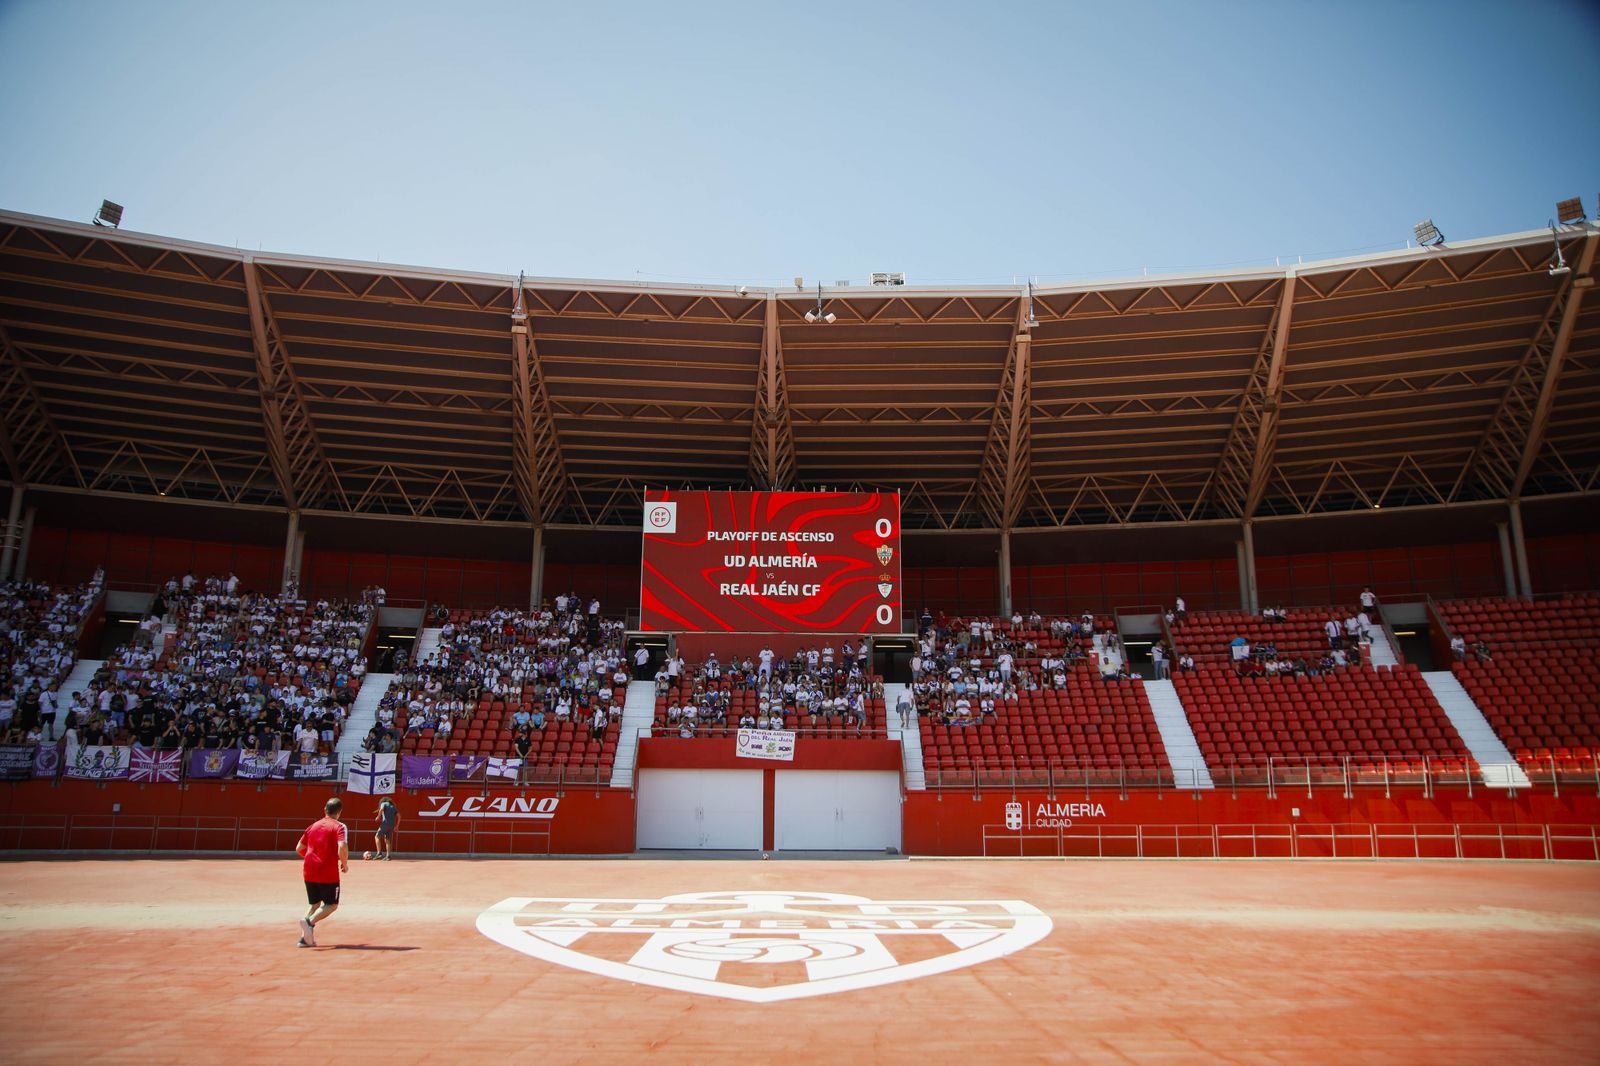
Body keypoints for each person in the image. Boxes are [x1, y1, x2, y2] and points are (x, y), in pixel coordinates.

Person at [294, 797, 349, 947]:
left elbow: (299, 848)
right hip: (328, 871)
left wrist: (311, 860)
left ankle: (304, 939)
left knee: (314, 904)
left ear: (325, 809)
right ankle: (309, 922)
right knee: (331, 904)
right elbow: (342, 846)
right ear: (339, 812)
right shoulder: (340, 827)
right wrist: (344, 864)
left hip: (309, 870)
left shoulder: (313, 826)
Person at [373, 796, 399, 861]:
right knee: (387, 840)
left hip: (385, 823)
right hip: (392, 825)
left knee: (377, 836)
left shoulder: (383, 804)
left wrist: (378, 817)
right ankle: (388, 856)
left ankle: (379, 853)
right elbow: (399, 816)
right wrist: (397, 826)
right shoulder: (393, 806)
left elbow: (381, 809)